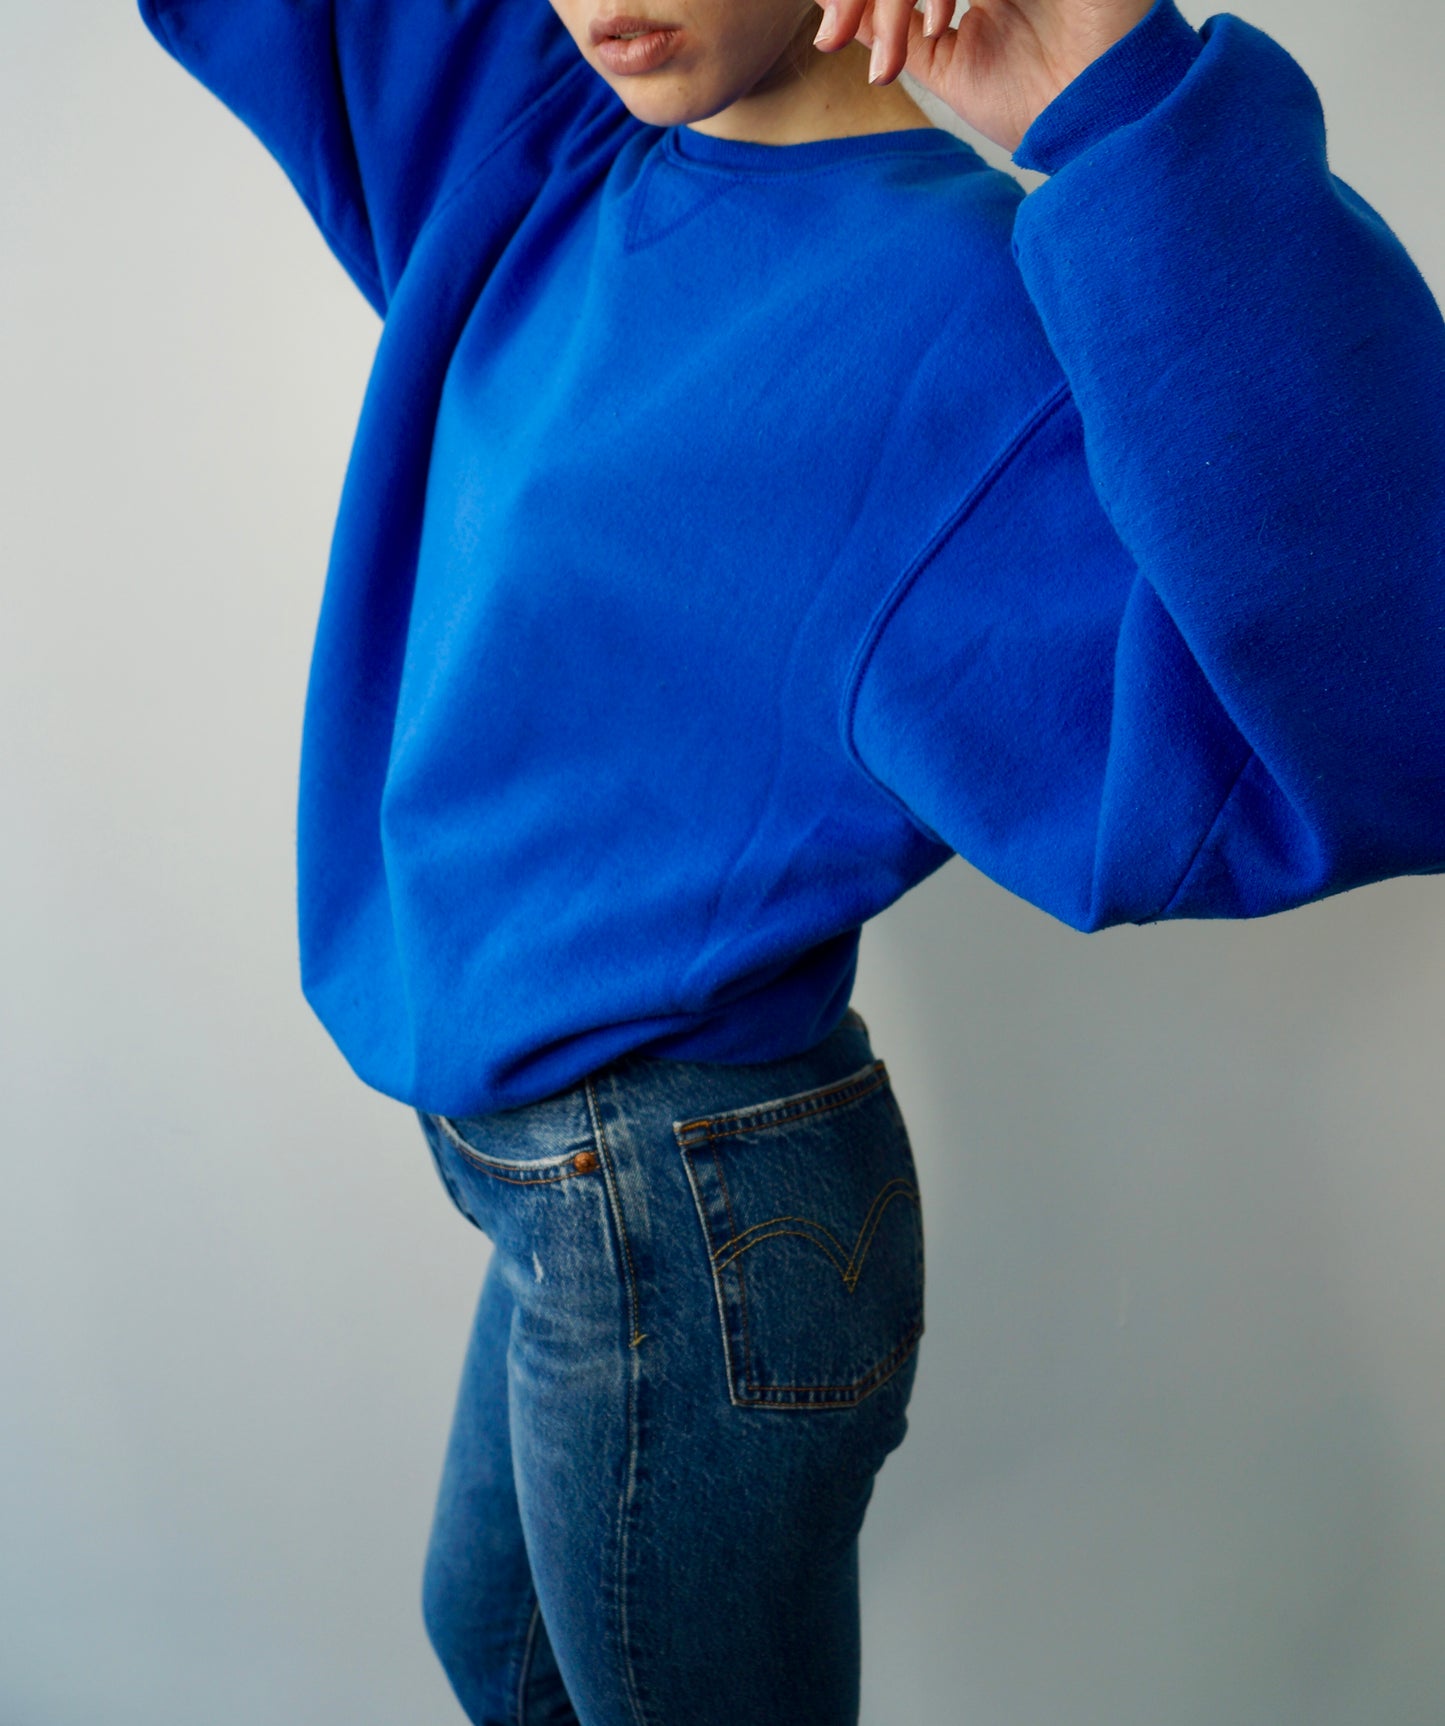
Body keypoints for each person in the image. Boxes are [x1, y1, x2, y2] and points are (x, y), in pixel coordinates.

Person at [136, 0, 1445, 1720]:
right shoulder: (537, 156)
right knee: (504, 1653)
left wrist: (1124, 110)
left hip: (686, 1209)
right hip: (563, 1186)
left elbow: (1394, 710)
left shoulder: (965, 328)